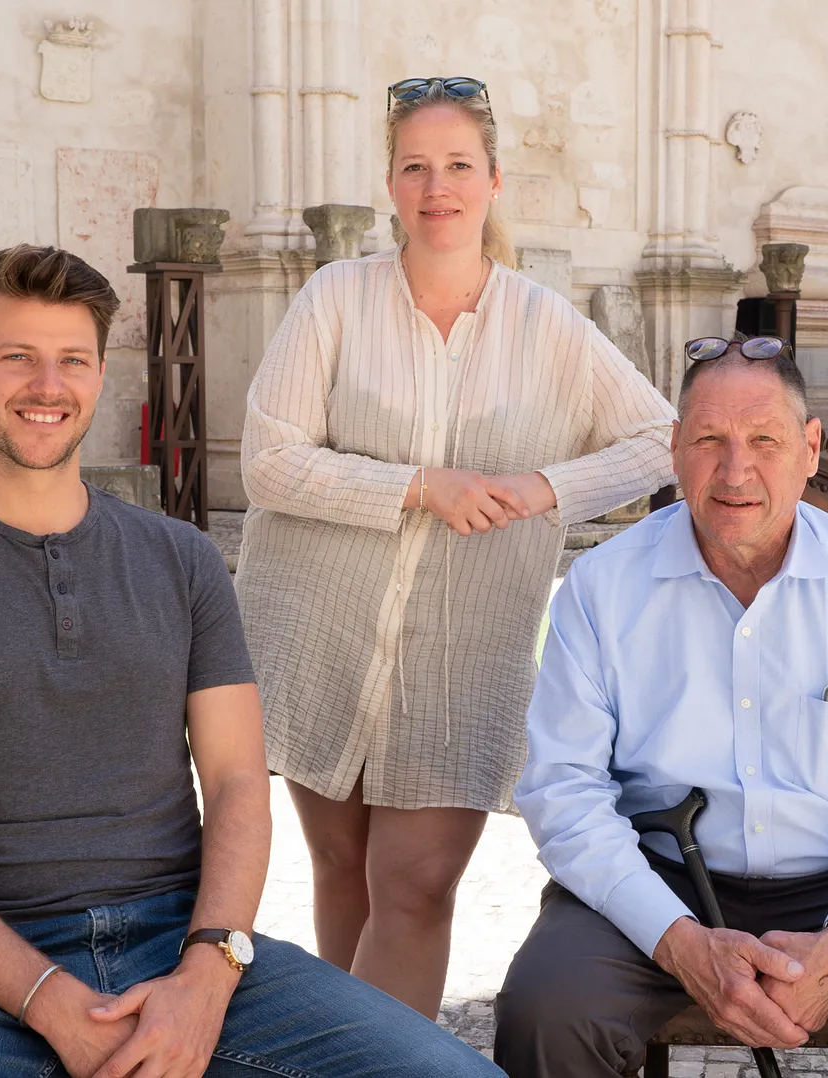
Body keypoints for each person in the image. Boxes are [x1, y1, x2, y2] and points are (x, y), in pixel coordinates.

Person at [0, 244, 505, 1078]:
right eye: (18, 358)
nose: (47, 385)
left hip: (185, 942)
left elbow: (238, 785)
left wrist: (208, 975)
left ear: (100, 374)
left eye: (72, 360)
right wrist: (48, 999)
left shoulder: (182, 562)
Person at [237, 76, 676, 1018]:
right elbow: (268, 465)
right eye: (416, 167)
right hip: (321, 636)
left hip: (462, 656)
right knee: (342, 871)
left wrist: (545, 489)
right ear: (391, 184)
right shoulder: (333, 300)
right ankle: (342, 1046)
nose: (439, 188)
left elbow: (658, 438)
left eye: (458, 166)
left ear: (493, 180)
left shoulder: (544, 321)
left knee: (417, 885)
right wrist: (415, 488)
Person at [494, 336, 828, 1077]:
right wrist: (678, 942)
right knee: (545, 1014)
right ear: (675, 449)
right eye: (709, 439)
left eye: (765, 441)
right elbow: (563, 788)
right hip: (658, 881)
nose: (735, 470)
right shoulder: (601, 588)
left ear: (810, 449)